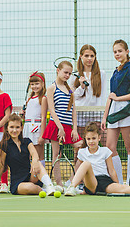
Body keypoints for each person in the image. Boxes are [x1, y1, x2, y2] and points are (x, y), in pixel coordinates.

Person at [64, 122, 130, 196]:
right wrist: (74, 183)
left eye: (94, 138)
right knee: (86, 164)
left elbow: (112, 170)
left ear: (99, 138)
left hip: (105, 181)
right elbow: (77, 170)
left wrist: (116, 184)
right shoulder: (82, 152)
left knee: (124, 189)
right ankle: (71, 187)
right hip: (91, 183)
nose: (91, 141)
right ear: (85, 139)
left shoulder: (106, 151)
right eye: (88, 139)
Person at [0, 114, 56, 195]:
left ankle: (50, 186)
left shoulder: (27, 141)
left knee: (38, 163)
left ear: (21, 128)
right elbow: (0, 168)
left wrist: (35, 161)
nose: (14, 130)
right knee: (30, 187)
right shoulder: (3, 145)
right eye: (11, 127)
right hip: (18, 184)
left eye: (17, 127)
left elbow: (34, 154)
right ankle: (43, 190)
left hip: (32, 177)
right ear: (7, 128)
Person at [101, 39, 130, 184]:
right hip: (113, 112)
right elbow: (111, 96)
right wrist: (105, 117)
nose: (117, 54)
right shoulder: (115, 71)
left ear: (127, 52)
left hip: (126, 111)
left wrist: (119, 99)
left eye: (120, 51)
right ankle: (118, 182)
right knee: (110, 148)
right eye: (115, 52)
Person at [42, 60, 83, 192]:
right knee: (56, 155)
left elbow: (73, 110)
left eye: (70, 73)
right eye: (65, 72)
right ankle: (58, 184)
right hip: (56, 126)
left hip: (69, 127)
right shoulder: (51, 88)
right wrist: (59, 127)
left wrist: (75, 129)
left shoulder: (70, 89)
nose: (67, 75)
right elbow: (51, 110)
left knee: (81, 148)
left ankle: (71, 181)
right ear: (58, 71)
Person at [69, 44, 107, 146]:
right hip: (80, 115)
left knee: (104, 143)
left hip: (96, 114)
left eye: (92, 56)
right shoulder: (74, 75)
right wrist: (81, 87)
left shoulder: (102, 74)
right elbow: (72, 96)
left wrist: (102, 116)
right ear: (81, 56)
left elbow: (103, 95)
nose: (89, 59)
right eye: (86, 56)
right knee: (80, 146)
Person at [20, 71, 47, 168]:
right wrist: (23, 115)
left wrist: (42, 135)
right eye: (32, 84)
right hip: (27, 128)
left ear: (43, 84)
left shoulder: (43, 98)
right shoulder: (30, 99)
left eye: (37, 83)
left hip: (37, 128)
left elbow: (43, 117)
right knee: (29, 155)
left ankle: (42, 179)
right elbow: (27, 117)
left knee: (39, 155)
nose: (34, 86)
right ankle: (31, 176)